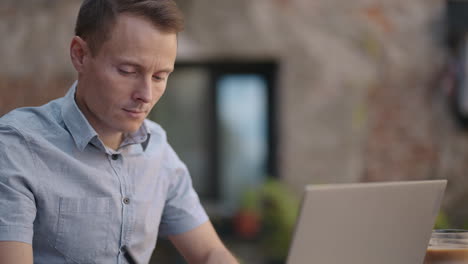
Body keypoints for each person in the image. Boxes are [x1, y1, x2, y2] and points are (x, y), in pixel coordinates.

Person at [0, 0, 239, 263]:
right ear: (80, 54)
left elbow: (209, 253)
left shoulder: (158, 149)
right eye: (128, 71)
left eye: (160, 77)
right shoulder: (18, 147)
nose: (146, 95)